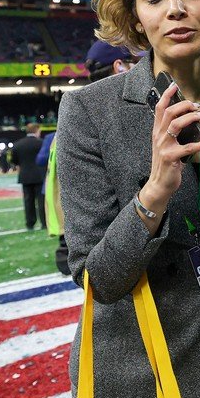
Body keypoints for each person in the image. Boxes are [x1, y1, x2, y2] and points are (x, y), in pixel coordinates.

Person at [56, 0, 200, 398]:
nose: (175, 9)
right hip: (135, 381)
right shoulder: (90, 111)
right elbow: (97, 278)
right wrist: (154, 193)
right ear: (136, 19)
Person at [41, 40, 138, 278]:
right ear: (120, 67)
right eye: (137, 62)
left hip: (84, 239)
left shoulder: (74, 124)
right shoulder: (114, 123)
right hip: (118, 254)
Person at [11, 123, 46, 231]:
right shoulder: (42, 143)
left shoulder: (18, 144)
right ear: (36, 130)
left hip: (25, 176)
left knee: (28, 201)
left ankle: (30, 224)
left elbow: (14, 161)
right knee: (42, 201)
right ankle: (44, 223)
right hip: (40, 176)